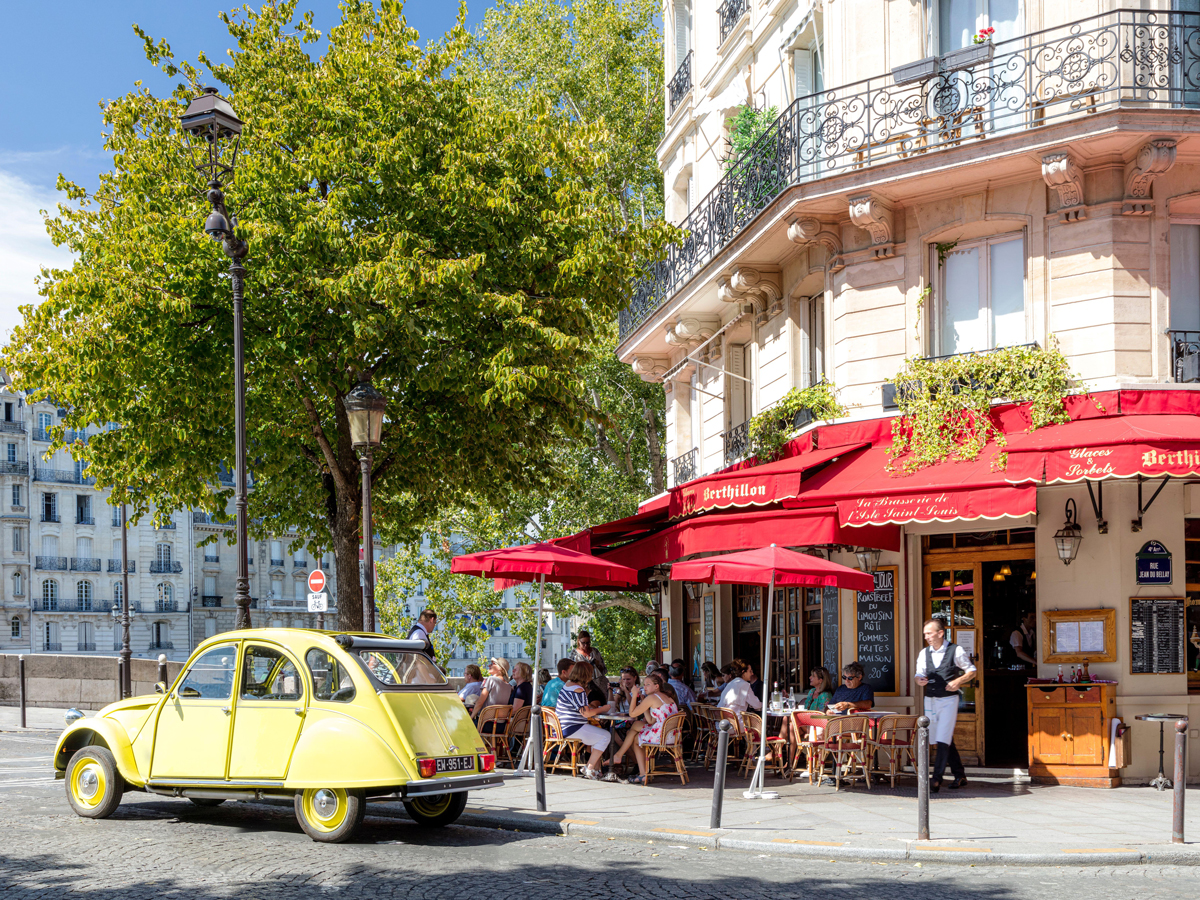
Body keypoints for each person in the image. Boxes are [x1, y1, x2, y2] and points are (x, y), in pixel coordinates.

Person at [915, 618, 975, 792]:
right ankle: (959, 774)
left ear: (940, 633)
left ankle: (936, 779)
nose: (926, 637)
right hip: (931, 699)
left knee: (942, 738)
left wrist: (958, 681)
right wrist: (919, 680)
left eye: (929, 633)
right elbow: (919, 674)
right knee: (941, 735)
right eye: (925, 633)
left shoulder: (955, 651)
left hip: (949, 699)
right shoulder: (924, 653)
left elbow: (971, 670)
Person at [611, 672, 680, 784]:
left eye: (648, 684)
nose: (644, 687)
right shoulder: (667, 697)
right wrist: (643, 702)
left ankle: (641, 772)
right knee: (636, 729)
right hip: (672, 736)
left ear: (656, 686)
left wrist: (634, 695)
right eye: (644, 684)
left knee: (636, 734)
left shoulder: (652, 697)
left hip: (661, 736)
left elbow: (632, 714)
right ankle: (620, 757)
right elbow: (651, 721)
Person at [554, 662, 612, 780]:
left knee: (598, 736)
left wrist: (593, 711)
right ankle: (589, 768)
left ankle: (594, 769)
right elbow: (586, 713)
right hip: (572, 727)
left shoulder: (568, 685)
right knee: (605, 736)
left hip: (563, 727)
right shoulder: (578, 690)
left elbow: (581, 709)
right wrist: (603, 708)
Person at [471, 657, 514, 731]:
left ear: (500, 668)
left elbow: (480, 702)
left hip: (486, 724)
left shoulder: (491, 680)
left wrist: (471, 717)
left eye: (493, 664)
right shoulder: (508, 686)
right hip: (501, 726)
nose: (489, 665)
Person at [570, 630, 609, 698]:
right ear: (579, 641)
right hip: (584, 685)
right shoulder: (574, 654)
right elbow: (572, 672)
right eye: (583, 643)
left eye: (588, 643)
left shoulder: (595, 651)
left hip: (599, 683)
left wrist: (597, 665)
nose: (586, 645)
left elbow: (603, 669)